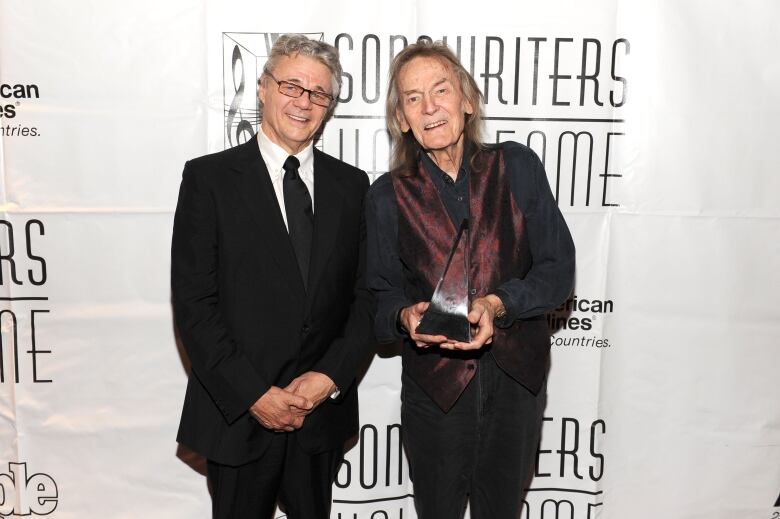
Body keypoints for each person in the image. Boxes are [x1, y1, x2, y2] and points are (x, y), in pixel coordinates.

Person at [366, 40, 575, 518]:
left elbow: (558, 270)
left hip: (515, 383)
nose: (429, 107)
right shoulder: (386, 196)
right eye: (412, 98)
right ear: (401, 118)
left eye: (440, 90)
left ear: (468, 100)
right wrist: (404, 314)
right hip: (434, 394)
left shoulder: (517, 166)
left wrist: (498, 304)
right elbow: (377, 296)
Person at [172, 34, 372, 519]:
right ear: (263, 88)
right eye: (291, 85)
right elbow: (195, 306)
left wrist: (327, 379)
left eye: (319, 93)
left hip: (319, 416)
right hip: (238, 415)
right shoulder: (209, 180)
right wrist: (255, 395)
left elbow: (367, 299)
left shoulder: (352, 186)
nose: (303, 102)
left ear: (329, 106)